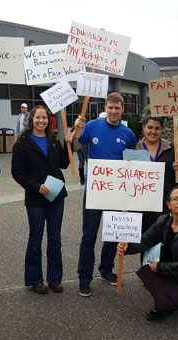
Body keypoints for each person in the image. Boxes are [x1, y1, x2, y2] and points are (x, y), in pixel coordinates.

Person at [64, 92, 137, 297]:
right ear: (105, 108)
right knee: (89, 235)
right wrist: (76, 129)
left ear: (123, 109)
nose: (113, 111)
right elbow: (77, 146)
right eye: (110, 108)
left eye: (117, 108)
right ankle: (84, 278)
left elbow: (134, 161)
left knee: (113, 233)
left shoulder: (127, 133)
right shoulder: (92, 126)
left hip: (117, 191)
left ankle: (106, 270)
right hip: (95, 190)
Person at [117, 186, 178, 322]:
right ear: (168, 205)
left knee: (171, 300)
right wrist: (127, 247)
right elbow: (145, 241)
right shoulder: (162, 221)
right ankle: (165, 302)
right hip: (169, 270)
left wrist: (160, 267)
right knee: (146, 272)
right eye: (175, 199)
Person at [12, 105, 69, 294]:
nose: (41, 121)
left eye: (44, 118)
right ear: (31, 119)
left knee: (55, 239)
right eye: (38, 118)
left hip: (56, 196)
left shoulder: (54, 140)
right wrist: (36, 186)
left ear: (48, 120)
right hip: (36, 197)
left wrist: (69, 143)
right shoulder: (22, 142)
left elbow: (64, 163)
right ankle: (35, 279)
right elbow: (17, 172)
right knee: (35, 238)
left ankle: (55, 279)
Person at [136, 115, 178, 233]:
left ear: (161, 130)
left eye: (157, 128)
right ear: (143, 128)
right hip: (143, 206)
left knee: (167, 241)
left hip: (165, 205)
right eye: (150, 127)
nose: (153, 132)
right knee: (146, 242)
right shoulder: (134, 150)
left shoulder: (172, 149)